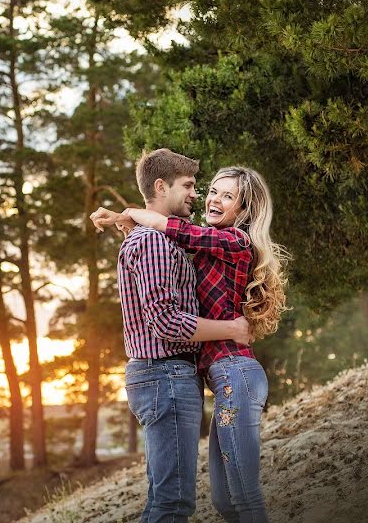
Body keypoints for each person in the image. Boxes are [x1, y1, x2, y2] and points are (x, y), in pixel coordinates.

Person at [92, 165, 287, 523]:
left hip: (237, 376)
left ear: (243, 212)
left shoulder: (235, 242)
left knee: (244, 498)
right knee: (226, 501)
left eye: (228, 196)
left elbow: (179, 230)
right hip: (224, 380)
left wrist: (132, 212)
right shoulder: (200, 250)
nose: (212, 198)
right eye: (213, 190)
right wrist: (133, 223)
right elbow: (168, 249)